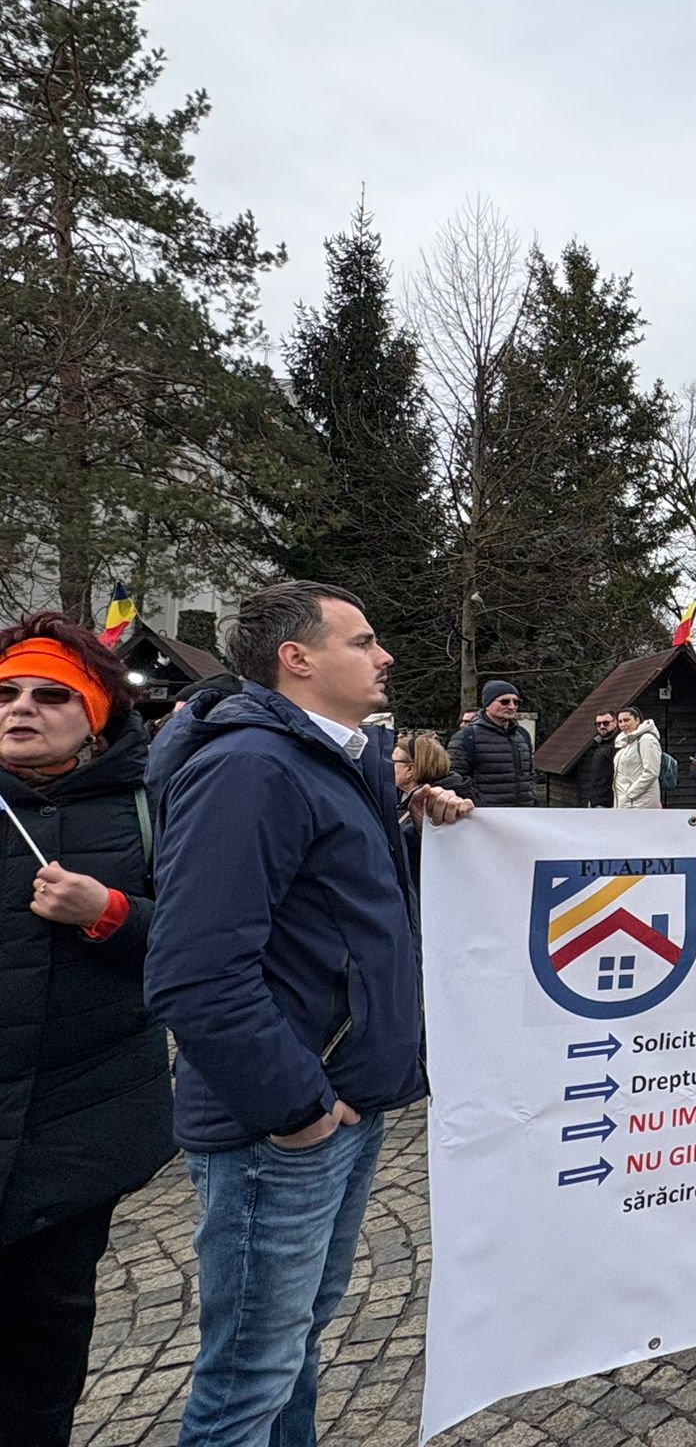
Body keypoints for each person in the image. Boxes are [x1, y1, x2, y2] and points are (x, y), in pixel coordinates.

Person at [143, 580, 471, 1443]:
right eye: (362, 642)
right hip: (282, 1127)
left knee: (292, 1354)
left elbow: (332, 906)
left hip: (341, 1103)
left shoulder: (334, 762)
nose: (384, 656)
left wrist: (420, 831)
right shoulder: (250, 768)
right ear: (297, 659)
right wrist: (298, 1110)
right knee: (248, 1381)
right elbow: (195, 971)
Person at [0, 614, 173, 1447]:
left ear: (96, 716)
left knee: (44, 1347)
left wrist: (109, 912)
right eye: (7, 692)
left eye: (50, 695)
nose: (21, 708)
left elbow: (203, 939)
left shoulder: (148, 808)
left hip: (81, 1128)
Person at [446, 680, 535, 807]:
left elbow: (529, 774)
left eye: (516, 702)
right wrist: (477, 803)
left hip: (523, 813)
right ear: (487, 704)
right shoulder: (466, 736)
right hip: (485, 814)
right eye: (505, 702)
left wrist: (532, 799)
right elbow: (454, 777)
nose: (512, 706)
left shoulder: (522, 735)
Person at [392, 730, 459, 886]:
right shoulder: (401, 796)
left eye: (393, 762)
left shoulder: (433, 803)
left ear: (411, 770)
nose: (387, 767)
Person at [612, 705, 665, 809]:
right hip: (625, 802)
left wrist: (630, 793)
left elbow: (651, 772)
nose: (623, 724)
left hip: (640, 803)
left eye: (626, 720)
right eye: (620, 721)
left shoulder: (646, 739)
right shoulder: (625, 743)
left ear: (637, 720)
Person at [575, 711, 617, 807]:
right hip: (595, 801)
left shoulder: (619, 744)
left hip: (610, 803)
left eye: (606, 723)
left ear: (615, 723)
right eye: (598, 724)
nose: (602, 726)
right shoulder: (597, 744)